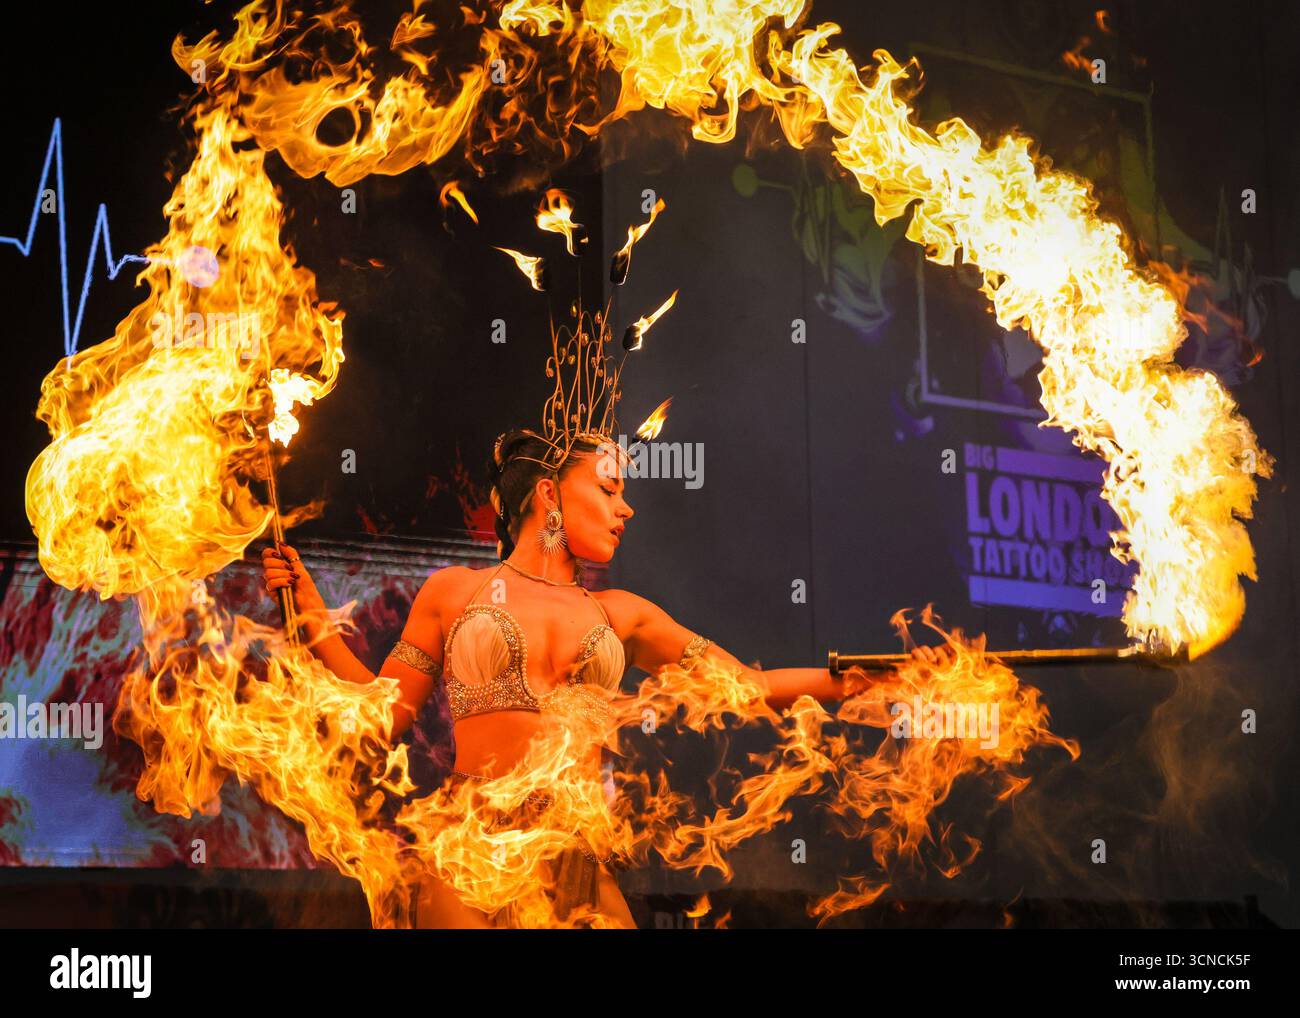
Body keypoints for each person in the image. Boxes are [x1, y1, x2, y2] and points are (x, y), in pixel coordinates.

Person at [262, 428, 953, 928]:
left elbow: (744, 684)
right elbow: (383, 714)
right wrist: (312, 618)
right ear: (548, 494)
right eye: (610, 487)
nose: (626, 508)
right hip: (467, 839)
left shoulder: (624, 614)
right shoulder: (455, 591)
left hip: (576, 855)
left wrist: (859, 682)